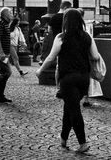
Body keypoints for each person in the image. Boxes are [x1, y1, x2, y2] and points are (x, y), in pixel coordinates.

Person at [38, 8, 100, 153]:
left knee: (74, 110)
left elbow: (51, 57)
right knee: (69, 108)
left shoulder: (61, 37)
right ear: (80, 21)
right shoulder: (87, 36)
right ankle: (63, 138)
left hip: (68, 79)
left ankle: (83, 143)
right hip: (83, 78)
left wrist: (40, 70)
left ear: (65, 21)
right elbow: (96, 56)